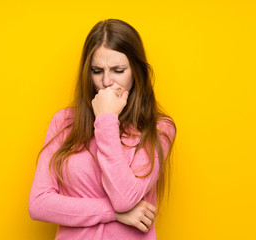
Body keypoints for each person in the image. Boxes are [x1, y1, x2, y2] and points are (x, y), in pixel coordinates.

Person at [28, 18, 176, 240]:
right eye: (97, 71)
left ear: (136, 72)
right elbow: (39, 204)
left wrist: (107, 118)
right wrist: (114, 213)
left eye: (118, 70)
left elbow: (125, 198)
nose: (106, 82)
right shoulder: (64, 123)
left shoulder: (159, 129)